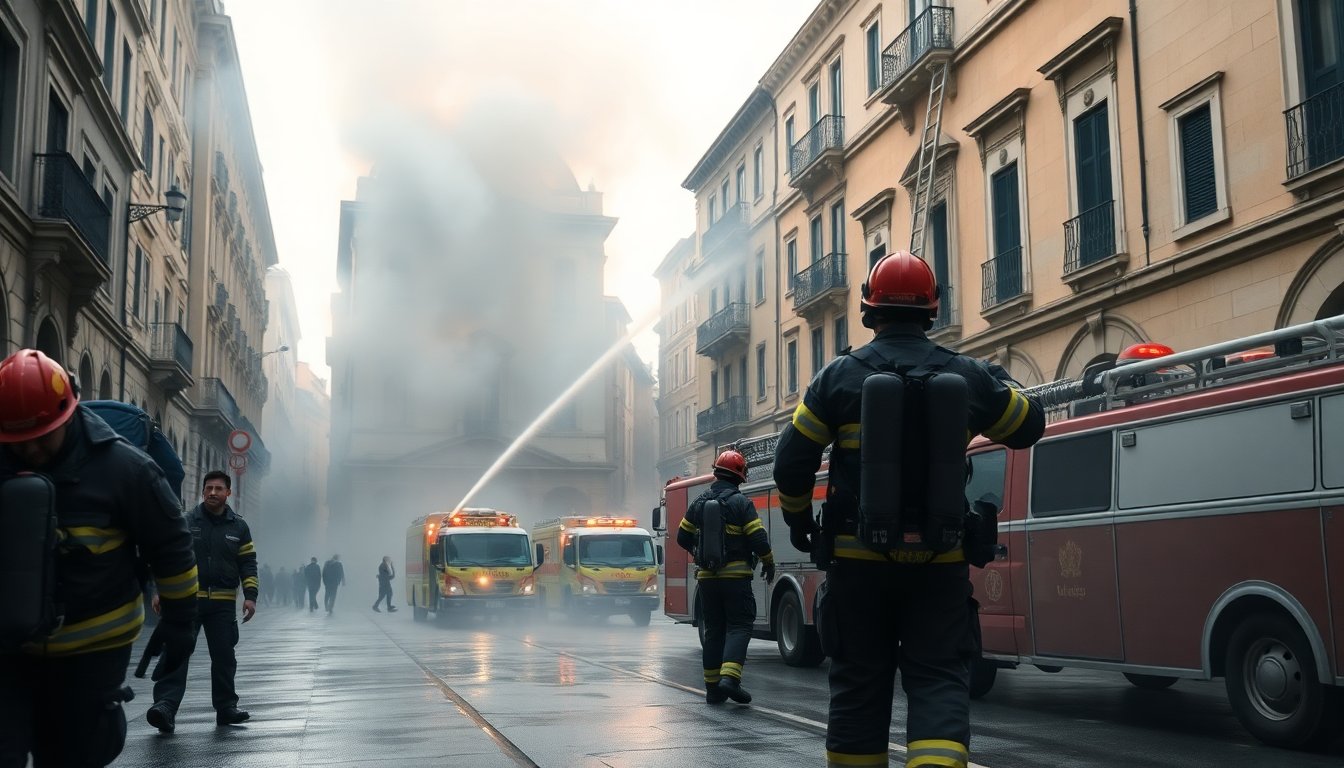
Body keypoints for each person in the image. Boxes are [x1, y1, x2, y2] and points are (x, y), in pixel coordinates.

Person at [772, 252, 1045, 768]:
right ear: (932, 311)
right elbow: (1029, 425)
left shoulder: (837, 379)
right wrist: (1001, 382)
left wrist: (798, 519)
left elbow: (792, 460)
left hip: (857, 565)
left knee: (857, 685)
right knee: (940, 678)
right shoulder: (968, 377)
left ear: (869, 311)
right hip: (939, 567)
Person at [0, 349, 198, 766]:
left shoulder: (126, 470)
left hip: (91, 656)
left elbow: (171, 544)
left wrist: (180, 622)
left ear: (67, 415)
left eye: (42, 436)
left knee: (74, 754)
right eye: (18, 440)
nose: (31, 449)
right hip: (9, 650)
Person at [147, 470, 259, 733]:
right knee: (176, 653)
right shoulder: (186, 521)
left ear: (228, 493)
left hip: (222, 604)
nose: (212, 493)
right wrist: (159, 590)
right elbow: (168, 557)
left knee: (224, 658)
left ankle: (226, 708)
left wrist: (250, 597)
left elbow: (248, 563)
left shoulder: (239, 527)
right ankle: (165, 706)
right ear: (202, 491)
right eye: (208, 488)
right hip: (187, 602)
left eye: (218, 488)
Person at [676, 449, 774, 705]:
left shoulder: (698, 503)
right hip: (736, 578)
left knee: (715, 630)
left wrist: (697, 552)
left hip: (707, 579)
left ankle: (712, 689)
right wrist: (769, 562)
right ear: (739, 477)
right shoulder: (741, 503)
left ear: (717, 474)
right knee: (740, 626)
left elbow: (681, 537)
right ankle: (730, 679)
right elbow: (758, 538)